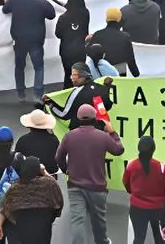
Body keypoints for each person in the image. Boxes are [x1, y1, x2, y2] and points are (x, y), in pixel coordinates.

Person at [56, 104, 126, 244]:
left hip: (75, 185)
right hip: (97, 186)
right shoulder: (103, 137)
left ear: (78, 118)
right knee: (99, 219)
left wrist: (66, 170)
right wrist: (112, 132)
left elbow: (59, 157)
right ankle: (102, 241)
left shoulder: (69, 136)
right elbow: (119, 150)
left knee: (77, 219)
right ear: (95, 118)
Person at [1, 0, 56, 102]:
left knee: (19, 66)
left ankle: (20, 92)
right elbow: (52, 15)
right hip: (36, 40)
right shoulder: (41, 3)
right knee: (39, 67)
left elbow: (5, 10)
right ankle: (38, 94)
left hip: (19, 38)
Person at [0, 155, 65, 244]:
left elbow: (5, 206)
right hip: (44, 226)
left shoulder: (16, 187)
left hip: (23, 228)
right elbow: (58, 195)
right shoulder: (48, 184)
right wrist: (44, 172)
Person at [123, 136, 165, 244]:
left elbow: (126, 183)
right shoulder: (162, 167)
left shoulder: (131, 165)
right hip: (159, 209)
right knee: (160, 238)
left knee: (138, 238)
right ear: (153, 149)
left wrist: (134, 193)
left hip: (137, 208)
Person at [43, 63, 113, 130]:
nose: (71, 78)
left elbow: (64, 114)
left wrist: (51, 104)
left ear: (82, 75)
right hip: (100, 132)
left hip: (80, 133)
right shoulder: (102, 88)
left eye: (74, 75)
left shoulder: (76, 92)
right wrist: (107, 86)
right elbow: (107, 106)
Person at [15, 108, 60, 174]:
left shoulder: (22, 140)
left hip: (29, 176)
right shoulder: (54, 140)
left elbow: (17, 159)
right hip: (49, 175)